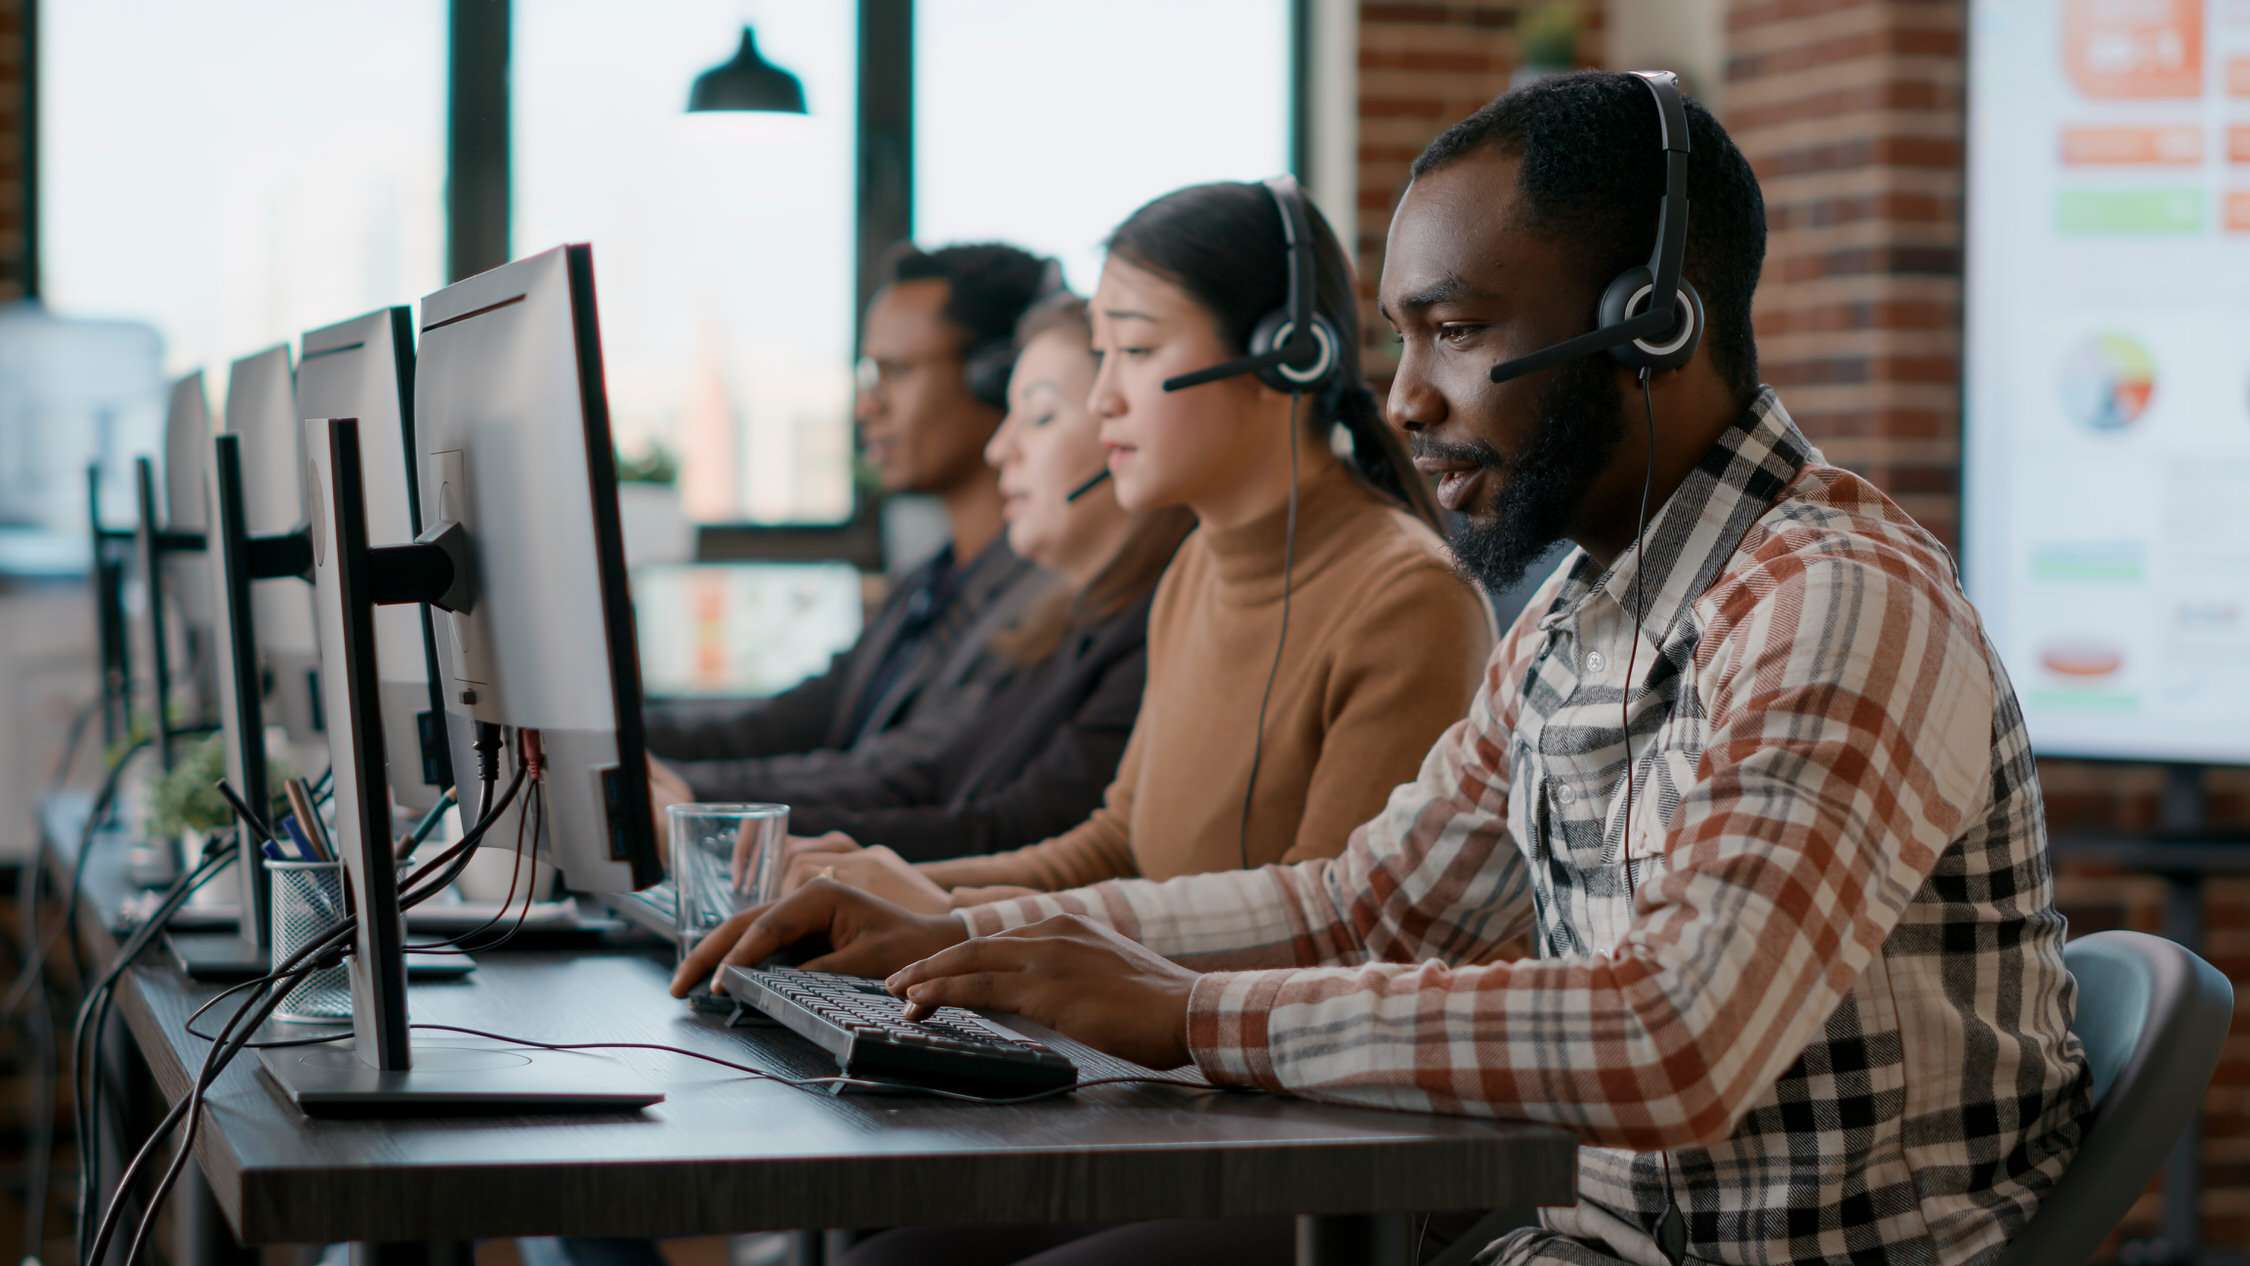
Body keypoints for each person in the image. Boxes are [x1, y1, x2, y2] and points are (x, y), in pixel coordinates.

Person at [676, 72, 2088, 1266]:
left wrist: (1180, 1011)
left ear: (1653, 323)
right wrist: (988, 948)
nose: (1403, 399)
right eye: (1401, 336)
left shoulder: (1832, 602)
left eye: (1458, 333)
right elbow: (1367, 901)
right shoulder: (1579, 609)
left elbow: (1674, 1037)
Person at [777, 178, 1495, 912]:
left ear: (1286, 357)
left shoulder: (1408, 601)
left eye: (1139, 348)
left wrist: (952, 919)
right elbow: (1117, 847)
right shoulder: (1194, 569)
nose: (1102, 398)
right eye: (1102, 352)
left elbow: (1324, 931)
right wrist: (894, 887)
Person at [760, 293, 1195, 868]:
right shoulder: (1048, 621)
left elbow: (1016, 827)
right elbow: (939, 781)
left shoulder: (1154, 627)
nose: (999, 449)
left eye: (1039, 417)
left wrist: (752, 835)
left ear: (1123, 437)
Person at [644, 242, 1056, 807]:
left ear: (997, 375)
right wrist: (599, 739)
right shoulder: (927, 585)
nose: (867, 407)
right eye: (870, 373)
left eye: (897, 371)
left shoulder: (1049, 594)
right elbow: (781, 725)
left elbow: (906, 777)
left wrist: (676, 796)